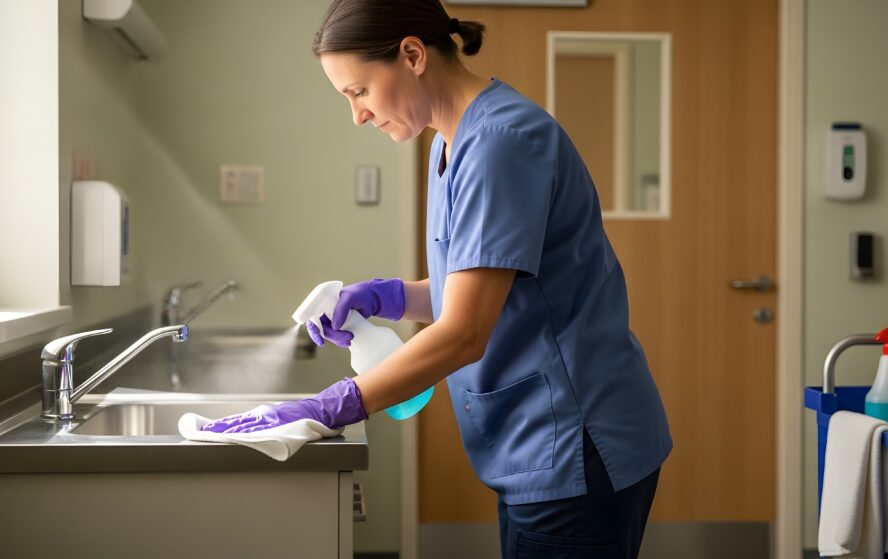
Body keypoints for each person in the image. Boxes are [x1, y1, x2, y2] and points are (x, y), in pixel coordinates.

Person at [202, 0, 672, 556]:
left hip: (574, 438)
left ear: (411, 54)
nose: (357, 115)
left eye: (358, 91)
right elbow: (473, 290)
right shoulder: (451, 142)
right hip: (538, 442)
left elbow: (464, 331)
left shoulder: (500, 142)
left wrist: (329, 407)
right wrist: (389, 296)